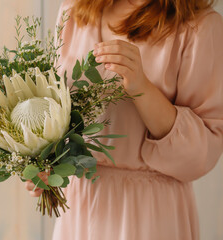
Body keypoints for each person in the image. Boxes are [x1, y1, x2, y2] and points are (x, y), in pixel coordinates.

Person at [25, 0, 223, 239]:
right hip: (80, 209)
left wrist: (142, 87)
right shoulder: (75, 11)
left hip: (151, 215)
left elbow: (200, 156)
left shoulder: (199, 26)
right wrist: (49, 165)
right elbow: (58, 112)